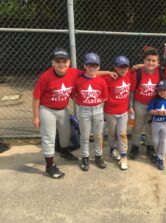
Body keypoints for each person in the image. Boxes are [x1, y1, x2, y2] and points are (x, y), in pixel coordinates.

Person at [32, 48, 116, 178]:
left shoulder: (73, 72)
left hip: (62, 109)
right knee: (49, 136)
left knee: (65, 134)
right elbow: (36, 97)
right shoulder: (45, 77)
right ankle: (49, 166)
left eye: (64, 61)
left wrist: (109, 73)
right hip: (47, 109)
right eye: (58, 61)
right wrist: (36, 116)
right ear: (52, 63)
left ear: (69, 62)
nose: (61, 64)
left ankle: (64, 152)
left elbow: (92, 73)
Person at [73, 53, 108, 171]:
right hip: (84, 110)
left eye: (95, 65)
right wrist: (81, 103)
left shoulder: (101, 81)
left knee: (98, 135)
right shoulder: (79, 81)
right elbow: (74, 95)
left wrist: (96, 101)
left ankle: (98, 156)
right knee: (85, 135)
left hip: (98, 109)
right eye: (89, 65)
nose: (92, 68)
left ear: (98, 67)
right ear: (85, 66)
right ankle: (85, 157)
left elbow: (105, 96)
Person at [129, 47, 161, 160]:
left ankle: (150, 146)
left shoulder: (159, 73)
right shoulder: (137, 73)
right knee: (137, 127)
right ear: (143, 61)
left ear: (158, 63)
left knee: (150, 127)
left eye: (154, 61)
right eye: (148, 60)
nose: (151, 63)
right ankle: (135, 146)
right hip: (139, 104)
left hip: (153, 105)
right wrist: (131, 106)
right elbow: (132, 91)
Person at [102, 56, 131, 170]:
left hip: (123, 111)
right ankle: (112, 149)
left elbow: (144, 67)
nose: (123, 70)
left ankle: (124, 156)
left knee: (122, 133)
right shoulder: (108, 78)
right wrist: (108, 72)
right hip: (110, 112)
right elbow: (93, 73)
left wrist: (138, 66)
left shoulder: (129, 74)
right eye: (120, 67)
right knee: (112, 133)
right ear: (115, 67)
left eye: (125, 67)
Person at [148, 80, 166, 170]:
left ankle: (161, 158)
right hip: (156, 123)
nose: (162, 92)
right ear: (157, 91)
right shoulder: (155, 99)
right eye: (160, 90)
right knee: (155, 141)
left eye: (164, 90)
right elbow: (149, 110)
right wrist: (156, 112)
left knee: (164, 141)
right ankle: (158, 155)